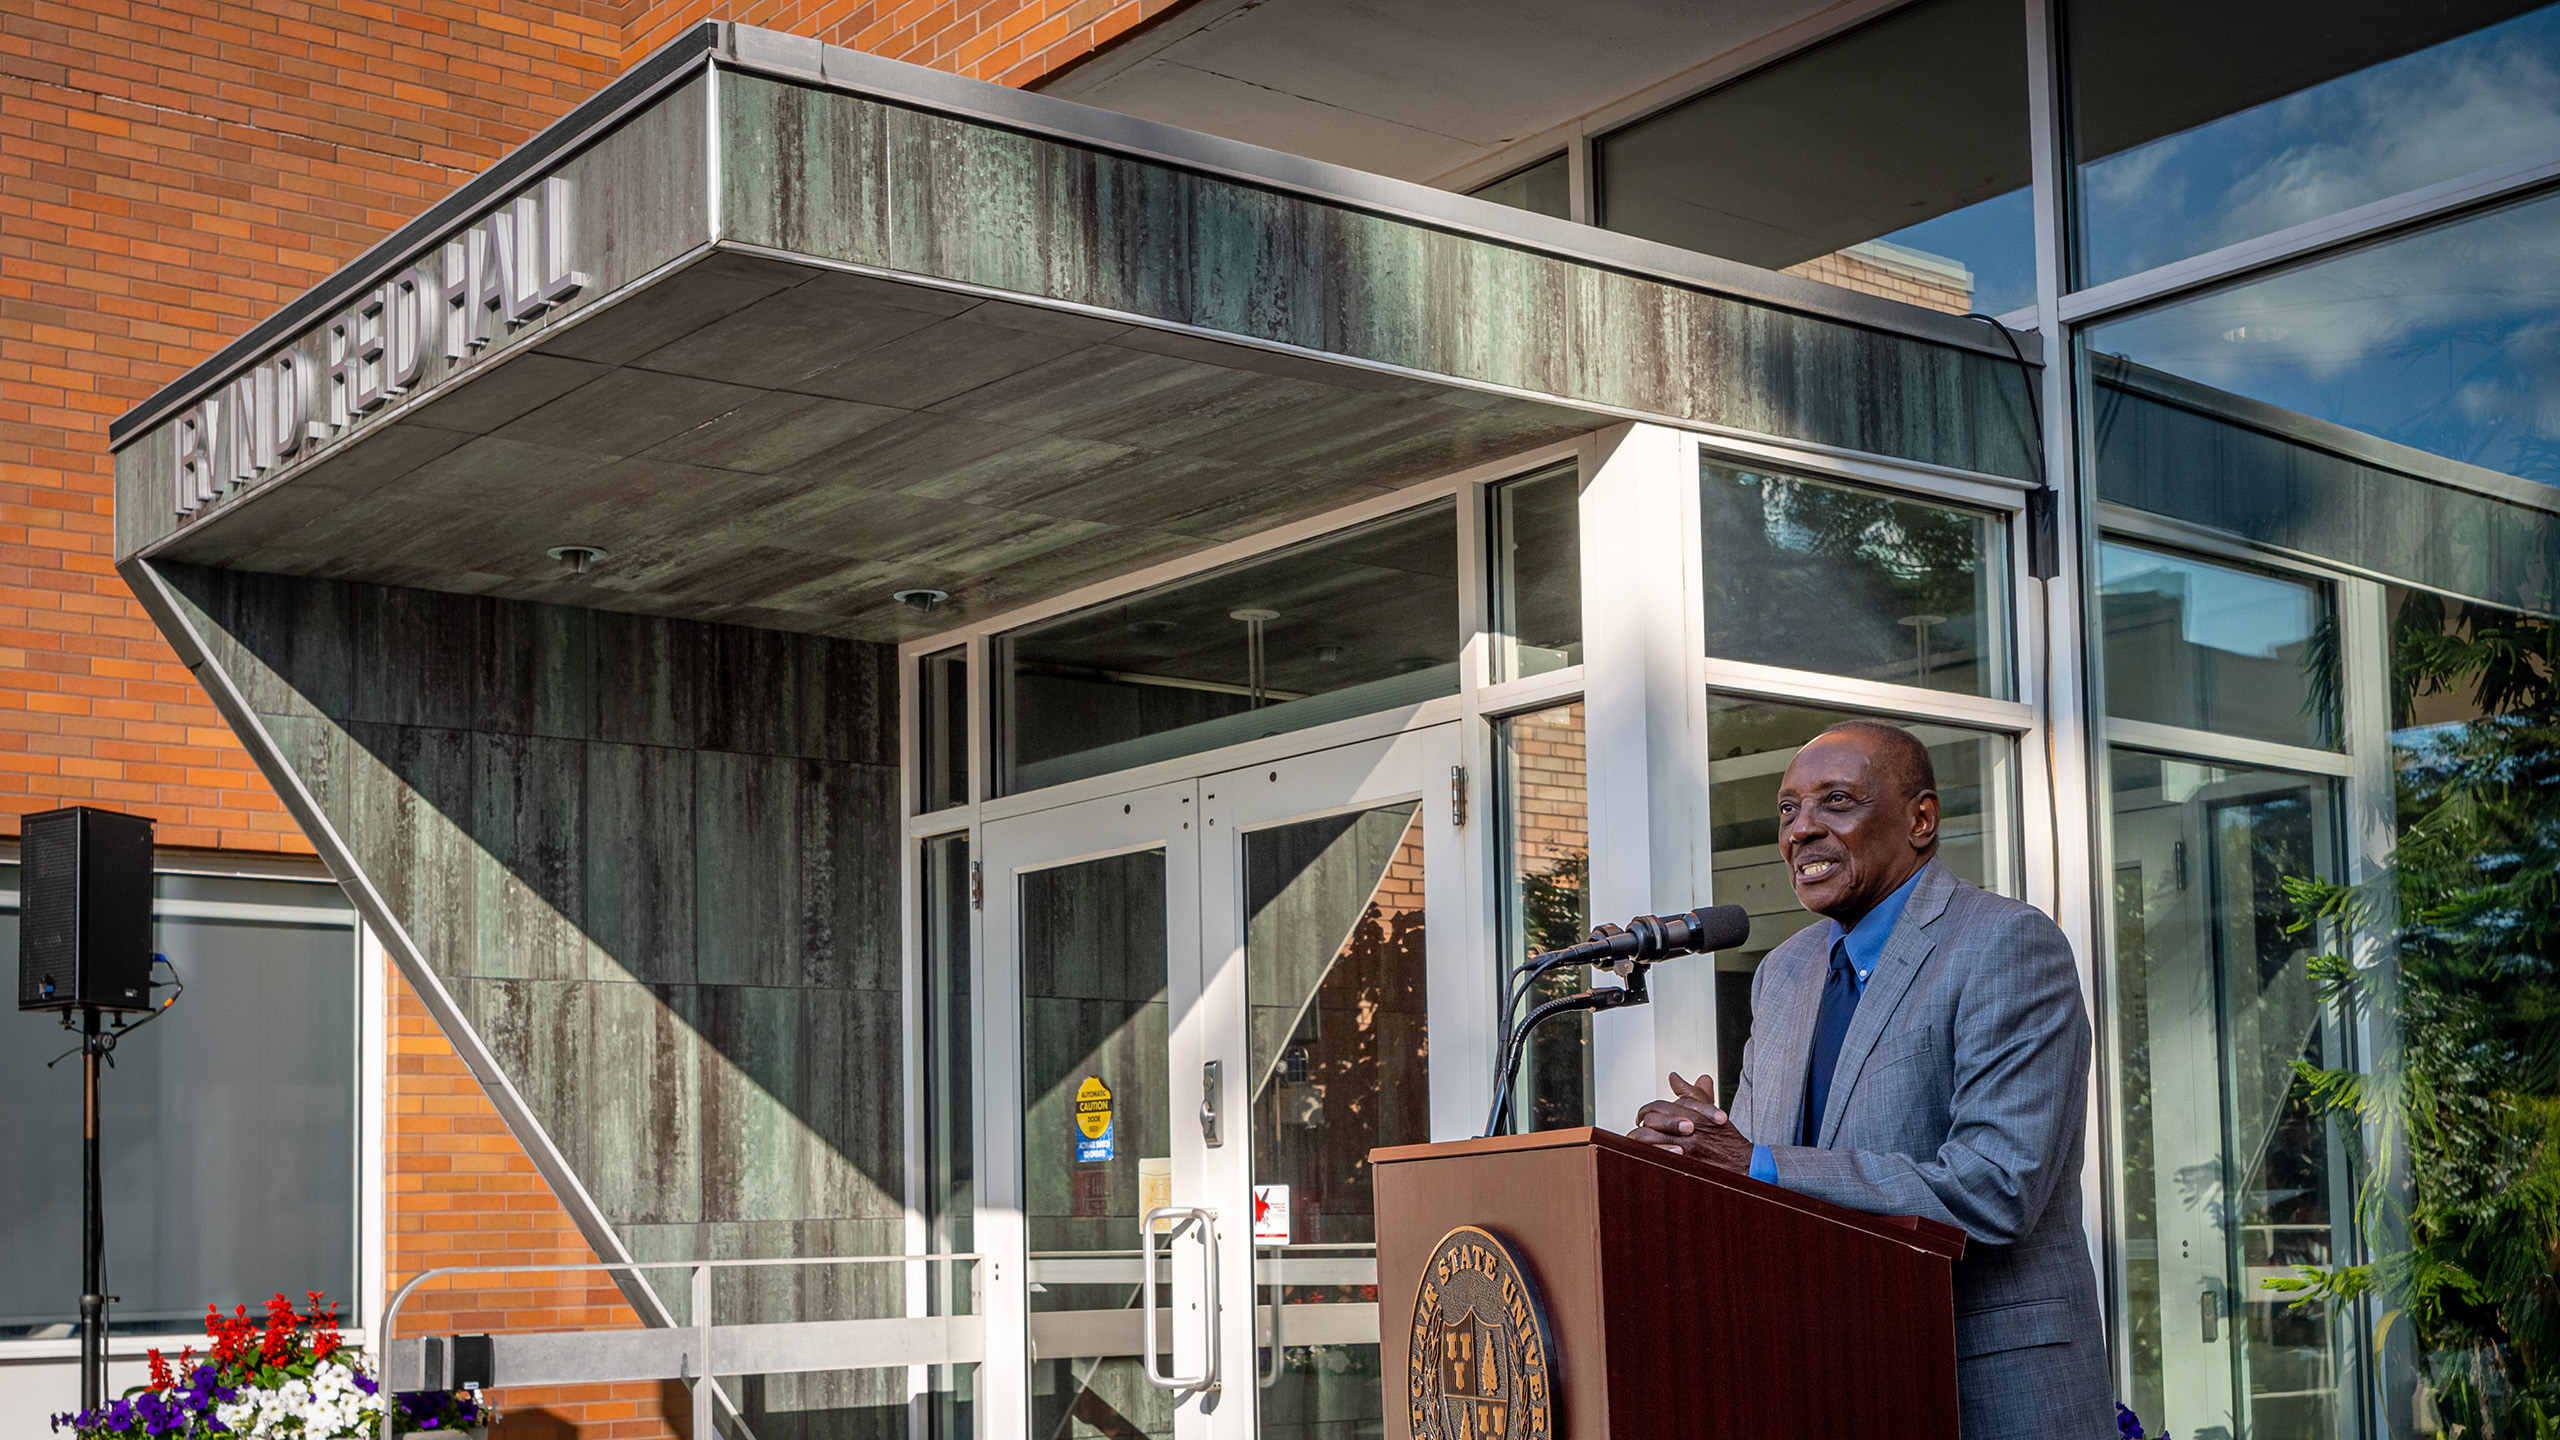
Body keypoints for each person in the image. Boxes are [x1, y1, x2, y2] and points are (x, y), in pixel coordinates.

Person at [1631, 720, 2109, 1438]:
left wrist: (1755, 1164)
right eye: (1789, 810)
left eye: (1837, 802)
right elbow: (1775, 1188)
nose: (1803, 830)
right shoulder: (1784, 972)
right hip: (1830, 1380)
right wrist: (1706, 1154)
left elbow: (1995, 1189)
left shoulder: (2005, 945)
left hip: (1982, 1383)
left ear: (1921, 819)